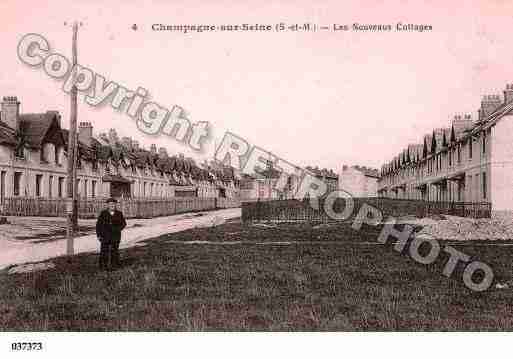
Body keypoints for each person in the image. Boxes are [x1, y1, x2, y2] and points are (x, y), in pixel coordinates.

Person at [96, 197, 127, 270]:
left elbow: (124, 224)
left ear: (116, 205)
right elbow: (98, 225)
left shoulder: (119, 213)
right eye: (110, 204)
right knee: (104, 251)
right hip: (105, 236)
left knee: (115, 251)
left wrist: (118, 229)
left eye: (113, 204)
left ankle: (114, 265)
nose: (112, 205)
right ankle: (103, 266)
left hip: (115, 236)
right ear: (107, 205)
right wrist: (99, 235)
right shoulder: (103, 213)